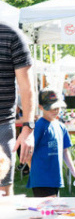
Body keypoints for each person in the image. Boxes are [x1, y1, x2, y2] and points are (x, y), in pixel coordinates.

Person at [27, 88, 75, 219]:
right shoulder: (39, 126)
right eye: (51, 107)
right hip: (42, 179)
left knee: (51, 213)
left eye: (57, 107)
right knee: (48, 214)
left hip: (55, 178)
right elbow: (29, 151)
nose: (56, 110)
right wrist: (34, 170)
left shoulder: (60, 126)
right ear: (41, 107)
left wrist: (74, 171)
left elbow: (66, 151)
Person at [0, 23, 35, 197]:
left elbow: (27, 87)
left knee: (3, 193)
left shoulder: (11, 35)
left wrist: (28, 129)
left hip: (2, 125)